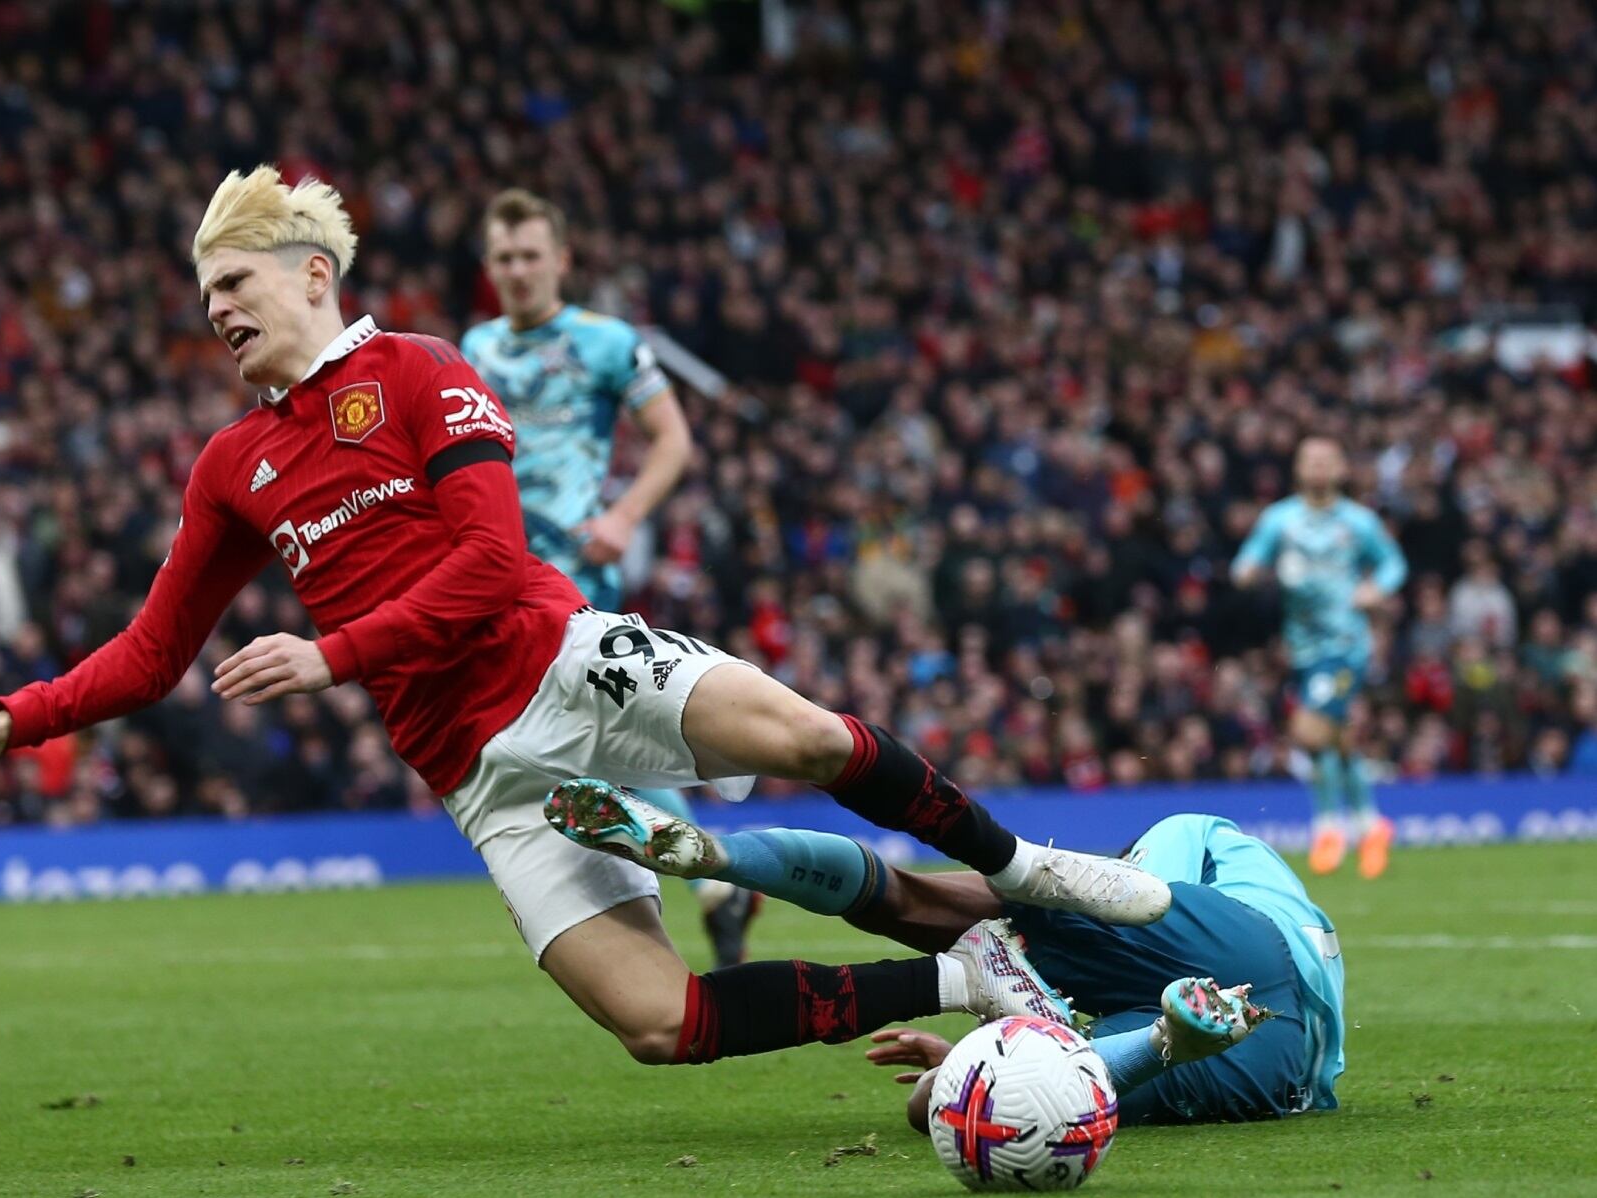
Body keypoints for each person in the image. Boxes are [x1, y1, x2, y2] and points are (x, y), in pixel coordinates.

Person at [0, 167, 1169, 1074]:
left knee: (810, 742)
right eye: (204, 296)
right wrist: (6, 727)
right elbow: (151, 651)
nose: (217, 310)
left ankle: (1019, 872)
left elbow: (497, 567)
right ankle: (968, 975)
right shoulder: (232, 463)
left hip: (564, 661)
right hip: (477, 770)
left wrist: (331, 654)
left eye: (233, 282)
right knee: (661, 1026)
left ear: (312, 275)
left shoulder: (424, 371)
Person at [547, 782, 1342, 1124]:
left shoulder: (1192, 836)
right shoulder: (1228, 860)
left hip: (1239, 943)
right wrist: (966, 1064)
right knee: (954, 1101)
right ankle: (1012, 1011)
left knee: (921, 898)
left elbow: (1176, 849)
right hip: (1281, 1059)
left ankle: (725, 859)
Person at [462, 187, 754, 968]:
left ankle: (705, 872)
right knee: (587, 742)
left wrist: (624, 518)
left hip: (573, 573)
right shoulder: (474, 348)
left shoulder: (608, 341)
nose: (518, 271)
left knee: (575, 734)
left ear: (561, 259)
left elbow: (673, 440)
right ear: (489, 268)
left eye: (531, 256)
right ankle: (716, 877)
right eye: (504, 258)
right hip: (498, 569)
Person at [1232, 437, 1407, 877]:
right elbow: (1246, 561)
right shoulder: (1281, 519)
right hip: (1303, 648)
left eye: (1327, 460)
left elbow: (1393, 564)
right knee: (1336, 735)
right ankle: (1369, 824)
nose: (1318, 467)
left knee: (1310, 731)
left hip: (1347, 645)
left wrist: (1375, 588)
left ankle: (1328, 824)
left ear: (1342, 468)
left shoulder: (1357, 521)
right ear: (1297, 467)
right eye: (1310, 459)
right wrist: (1249, 572)